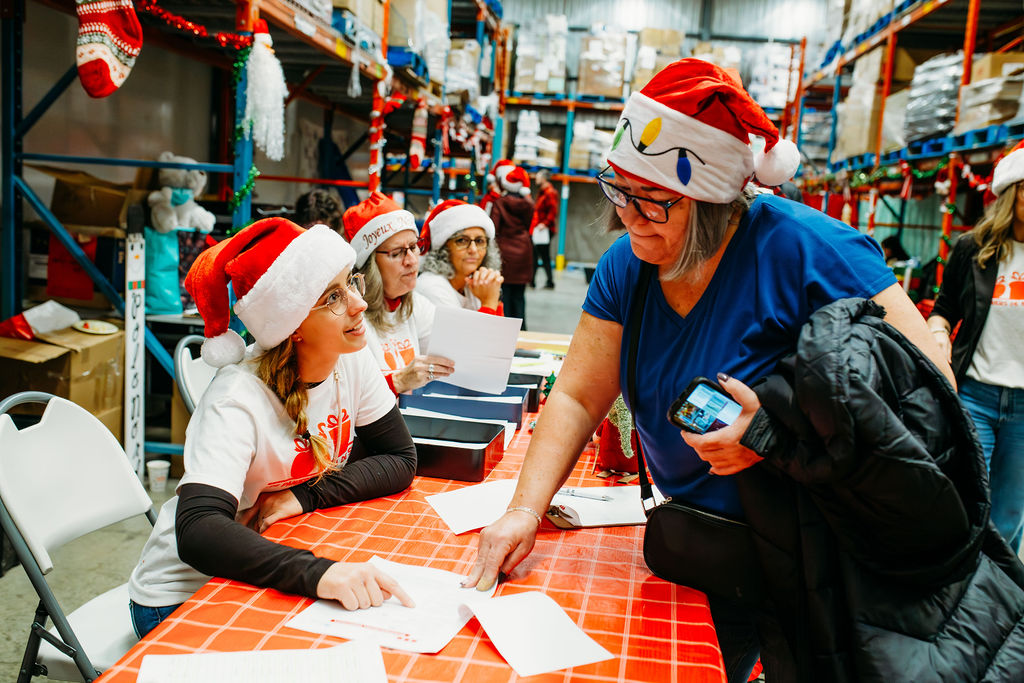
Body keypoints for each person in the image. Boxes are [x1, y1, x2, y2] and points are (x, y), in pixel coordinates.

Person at [464, 60, 955, 682]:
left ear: (714, 199)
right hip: (703, 547)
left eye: (653, 202)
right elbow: (579, 398)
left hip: (817, 557)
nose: (628, 217)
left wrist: (778, 436)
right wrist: (524, 510)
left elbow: (931, 392)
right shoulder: (628, 265)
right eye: (618, 191)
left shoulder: (810, 251)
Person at [128, 218, 416, 637]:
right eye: (334, 297)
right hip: (186, 594)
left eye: (350, 283)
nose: (359, 304)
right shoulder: (237, 398)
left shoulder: (351, 358)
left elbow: (400, 458)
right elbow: (198, 529)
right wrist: (320, 574)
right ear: (292, 325)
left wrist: (303, 496)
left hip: (266, 560)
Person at [928, 139, 1024, 553]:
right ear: (1011, 194)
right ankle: (958, 581)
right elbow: (944, 308)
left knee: (1009, 513)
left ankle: (998, 584)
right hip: (975, 395)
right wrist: (938, 335)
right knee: (963, 498)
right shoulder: (973, 248)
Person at [341, 191, 454, 394]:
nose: (411, 260)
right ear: (370, 265)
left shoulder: (416, 304)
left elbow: (455, 361)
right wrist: (397, 382)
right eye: (397, 253)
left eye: (414, 247)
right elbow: (345, 396)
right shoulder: (349, 318)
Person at [417, 199, 505, 316]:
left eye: (479, 241)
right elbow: (467, 330)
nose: (473, 249)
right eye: (462, 241)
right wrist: (489, 302)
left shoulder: (473, 282)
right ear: (443, 248)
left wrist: (494, 297)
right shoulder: (431, 286)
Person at [490, 163, 535, 325]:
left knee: (505, 294)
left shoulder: (499, 203)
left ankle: (506, 329)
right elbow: (529, 224)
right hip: (523, 250)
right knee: (519, 295)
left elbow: (494, 228)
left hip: (505, 253)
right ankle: (522, 330)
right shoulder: (528, 204)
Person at [530, 169, 558, 289]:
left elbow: (553, 211)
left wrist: (544, 224)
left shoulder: (550, 193)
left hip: (544, 230)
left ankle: (546, 281)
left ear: (544, 179)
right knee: (538, 255)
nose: (536, 178)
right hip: (540, 228)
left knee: (541, 255)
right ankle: (536, 281)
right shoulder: (542, 192)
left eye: (538, 177)